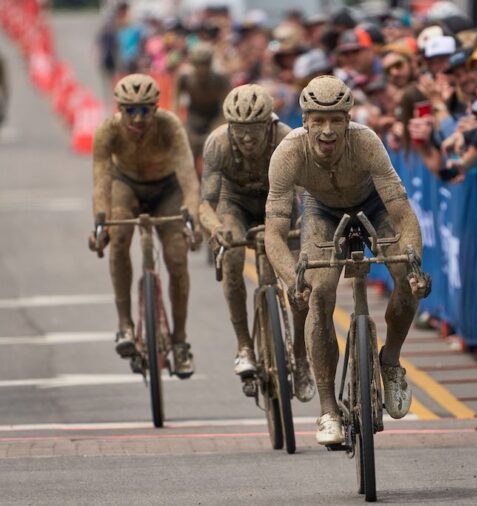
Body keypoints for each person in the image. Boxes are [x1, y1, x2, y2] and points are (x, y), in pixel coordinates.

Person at [264, 76, 430, 445]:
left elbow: (403, 214)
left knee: (406, 277)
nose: (327, 131)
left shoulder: (366, 141)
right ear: (304, 121)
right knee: (319, 295)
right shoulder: (288, 153)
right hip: (322, 211)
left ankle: (391, 361)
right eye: (318, 121)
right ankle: (328, 410)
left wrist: (414, 262)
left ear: (347, 120)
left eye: (336, 120)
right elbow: (273, 233)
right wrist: (294, 280)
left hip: (373, 206)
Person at [198, 84, 315, 400]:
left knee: (298, 279)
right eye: (240, 131)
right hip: (234, 203)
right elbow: (205, 203)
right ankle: (244, 345)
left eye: (254, 131)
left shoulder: (287, 138)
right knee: (232, 256)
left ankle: (301, 357)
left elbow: (308, 188)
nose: (247, 139)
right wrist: (215, 229)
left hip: (277, 203)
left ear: (269, 124)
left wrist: (306, 221)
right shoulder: (217, 144)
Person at [89, 74, 201, 378]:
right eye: (129, 111)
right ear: (119, 109)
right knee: (120, 235)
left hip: (167, 187)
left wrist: (192, 215)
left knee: (177, 258)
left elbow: (189, 179)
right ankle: (124, 324)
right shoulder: (107, 132)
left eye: (145, 110)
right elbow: (101, 182)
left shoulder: (170, 126)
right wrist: (101, 223)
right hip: (126, 184)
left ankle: (179, 342)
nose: (137, 119)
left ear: (155, 108)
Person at [173, 42, 230, 174]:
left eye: (205, 64)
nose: (202, 69)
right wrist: (177, 120)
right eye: (198, 64)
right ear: (193, 64)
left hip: (214, 114)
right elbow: (175, 99)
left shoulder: (221, 77)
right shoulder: (184, 76)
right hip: (194, 115)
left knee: (215, 147)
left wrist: (219, 125)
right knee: (188, 146)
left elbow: (226, 103)